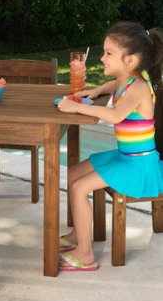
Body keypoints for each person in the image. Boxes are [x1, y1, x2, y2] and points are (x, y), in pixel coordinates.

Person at [57, 21, 163, 271]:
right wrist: (94, 92)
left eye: (108, 53)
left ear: (130, 61)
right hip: (126, 156)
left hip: (140, 166)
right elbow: (114, 87)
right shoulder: (129, 80)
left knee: (80, 186)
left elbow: (115, 115)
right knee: (73, 172)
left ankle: (85, 255)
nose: (102, 58)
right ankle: (78, 234)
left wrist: (75, 106)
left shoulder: (138, 88)